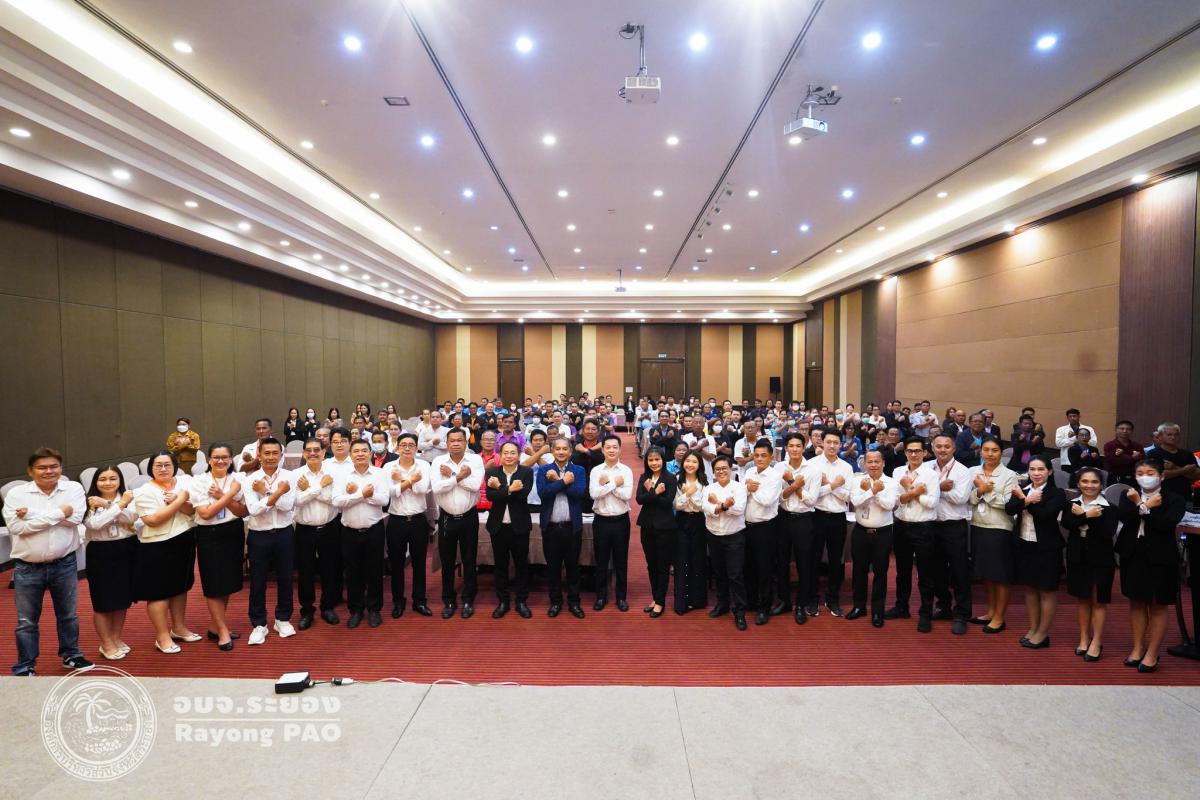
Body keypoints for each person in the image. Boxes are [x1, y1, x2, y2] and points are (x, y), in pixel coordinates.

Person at [5, 448, 93, 675]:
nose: (49, 471)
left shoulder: (73, 488)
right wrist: (60, 513)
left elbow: (75, 519)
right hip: (27, 567)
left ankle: (71, 655)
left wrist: (31, 514)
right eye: (42, 467)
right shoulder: (17, 494)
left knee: (68, 615)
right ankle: (25, 665)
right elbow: (17, 528)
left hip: (64, 563)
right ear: (30, 471)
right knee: (26, 621)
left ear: (61, 468)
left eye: (54, 466)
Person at [1117, 459, 1186, 672]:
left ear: (1161, 476)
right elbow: (1125, 518)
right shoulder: (1128, 494)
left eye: (1150, 472)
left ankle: (1152, 653)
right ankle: (1138, 648)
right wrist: (1144, 505)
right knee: (1136, 602)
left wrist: (1142, 507)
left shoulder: (1174, 498)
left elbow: (1165, 525)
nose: (1145, 477)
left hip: (1161, 557)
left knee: (1158, 605)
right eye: (1140, 473)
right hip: (1133, 554)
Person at [130, 450, 198, 654]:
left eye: (167, 464)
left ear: (174, 466)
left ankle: (179, 628)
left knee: (180, 587)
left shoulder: (185, 482)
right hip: (157, 545)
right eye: (158, 465)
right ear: (151, 468)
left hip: (184, 539)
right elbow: (153, 520)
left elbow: (192, 510)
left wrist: (180, 500)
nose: (163, 469)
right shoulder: (143, 491)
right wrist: (179, 500)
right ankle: (162, 636)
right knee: (159, 593)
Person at [188, 443, 248, 650]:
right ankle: (222, 631)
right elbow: (205, 513)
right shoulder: (199, 481)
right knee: (213, 584)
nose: (221, 461)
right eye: (216, 457)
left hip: (233, 531)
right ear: (209, 459)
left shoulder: (238, 479)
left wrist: (221, 496)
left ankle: (215, 626)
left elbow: (242, 512)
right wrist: (230, 494)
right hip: (209, 534)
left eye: (225, 457)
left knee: (228, 582)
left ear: (231, 459)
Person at [241, 438, 297, 645]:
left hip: (284, 533)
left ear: (281, 456)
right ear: (259, 455)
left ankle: (283, 619)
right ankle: (259, 624)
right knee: (258, 581)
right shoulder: (250, 480)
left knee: (285, 578)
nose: (271, 457)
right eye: (267, 453)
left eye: (275, 453)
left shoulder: (290, 477)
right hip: (259, 535)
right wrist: (278, 493)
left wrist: (266, 492)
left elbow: (287, 506)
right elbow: (254, 510)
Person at [1007, 456, 1066, 649]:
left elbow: (1045, 515)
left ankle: (1043, 632)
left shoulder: (1057, 493)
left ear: (1050, 471)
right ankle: (1033, 628)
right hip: (1025, 544)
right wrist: (1026, 499)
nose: (1036, 473)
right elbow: (1009, 509)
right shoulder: (1023, 489)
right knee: (1030, 589)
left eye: (1041, 469)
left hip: (1048, 548)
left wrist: (1026, 501)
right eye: (1032, 469)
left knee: (1047, 591)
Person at [83, 466, 138, 660]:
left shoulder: (128, 496)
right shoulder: (90, 501)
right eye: (103, 479)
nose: (108, 483)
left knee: (122, 599)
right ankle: (106, 643)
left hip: (127, 548)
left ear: (120, 480)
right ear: (95, 482)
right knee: (103, 602)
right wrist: (118, 505)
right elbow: (94, 524)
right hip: (101, 552)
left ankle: (115, 637)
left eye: (113, 478)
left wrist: (108, 505)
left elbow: (131, 517)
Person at [333, 440, 390, 628]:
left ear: (370, 453)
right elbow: (337, 501)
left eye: (364, 450)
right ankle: (356, 610)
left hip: (374, 529)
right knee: (352, 572)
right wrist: (361, 494)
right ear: (350, 455)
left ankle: (374, 609)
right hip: (349, 531)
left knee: (375, 571)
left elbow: (384, 499)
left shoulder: (380, 473)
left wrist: (357, 494)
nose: (360, 454)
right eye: (356, 451)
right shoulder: (342, 475)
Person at [1062, 467, 1117, 661]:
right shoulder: (1072, 504)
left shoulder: (1109, 507)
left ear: (1101, 485)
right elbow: (1067, 524)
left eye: (1094, 482)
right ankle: (1084, 638)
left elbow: (1107, 532)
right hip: (1077, 557)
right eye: (1085, 481)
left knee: (1099, 601)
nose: (1089, 486)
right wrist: (1086, 515)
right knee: (1083, 599)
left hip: (1102, 558)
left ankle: (1097, 641)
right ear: (1078, 484)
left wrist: (1088, 518)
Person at [887, 438, 941, 631]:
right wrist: (915, 491)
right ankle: (902, 607)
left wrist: (909, 490)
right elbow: (896, 500)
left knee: (925, 573)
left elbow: (932, 503)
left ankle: (925, 613)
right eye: (910, 451)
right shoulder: (898, 472)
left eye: (918, 451)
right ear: (905, 453)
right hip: (901, 525)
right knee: (902, 571)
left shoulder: (931, 475)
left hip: (924, 527)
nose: (913, 454)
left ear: (925, 453)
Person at [431, 428, 484, 619]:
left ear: (465, 442)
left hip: (469, 517)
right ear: (446, 443)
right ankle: (449, 600)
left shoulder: (475, 460)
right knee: (447, 561)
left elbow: (475, 486)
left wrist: (452, 475)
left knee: (469, 559)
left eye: (459, 440)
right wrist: (460, 476)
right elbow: (437, 488)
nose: (455, 444)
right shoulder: (438, 462)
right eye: (452, 441)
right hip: (447, 518)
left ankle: (468, 598)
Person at [968, 438, 1018, 634]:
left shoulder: (1009, 475)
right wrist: (980, 490)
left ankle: (999, 617)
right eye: (986, 450)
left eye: (994, 450)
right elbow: (968, 499)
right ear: (980, 451)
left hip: (999, 528)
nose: (990, 454)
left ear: (1001, 453)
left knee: (1000, 575)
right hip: (978, 525)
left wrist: (986, 492)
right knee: (986, 574)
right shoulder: (973, 472)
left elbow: (1007, 503)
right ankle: (990, 611)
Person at [293, 437, 344, 628]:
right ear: (303, 453)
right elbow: (296, 501)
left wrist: (309, 490)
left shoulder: (333, 474)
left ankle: (327, 607)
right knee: (305, 571)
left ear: (324, 452)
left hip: (329, 527)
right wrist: (319, 487)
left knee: (329, 569)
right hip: (304, 530)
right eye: (309, 450)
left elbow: (335, 500)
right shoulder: (295, 475)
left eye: (317, 450)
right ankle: (307, 611)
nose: (313, 453)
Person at [847, 451, 900, 627]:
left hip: (882, 533)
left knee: (880, 572)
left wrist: (872, 493)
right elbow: (856, 502)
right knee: (859, 571)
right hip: (861, 531)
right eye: (870, 462)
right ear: (865, 464)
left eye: (877, 461)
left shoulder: (891, 482)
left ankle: (877, 611)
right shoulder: (857, 481)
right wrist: (872, 491)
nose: (873, 465)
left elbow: (889, 505)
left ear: (883, 463)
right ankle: (859, 606)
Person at [537, 437, 587, 618]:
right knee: (553, 567)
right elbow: (543, 494)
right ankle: (555, 602)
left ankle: (574, 602)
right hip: (551, 527)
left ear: (570, 451)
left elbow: (578, 494)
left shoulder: (578, 470)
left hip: (571, 527)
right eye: (557, 448)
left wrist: (557, 480)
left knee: (573, 567)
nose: (561, 452)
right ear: (552, 451)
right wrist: (563, 481)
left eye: (564, 449)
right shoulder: (544, 470)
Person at [485, 441, 534, 619]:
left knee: (522, 565)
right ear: (500, 455)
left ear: (519, 455)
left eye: (513, 453)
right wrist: (509, 489)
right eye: (505, 452)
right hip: (498, 527)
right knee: (500, 565)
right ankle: (503, 601)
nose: (509, 456)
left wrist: (500, 488)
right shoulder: (492, 473)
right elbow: (491, 497)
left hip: (519, 527)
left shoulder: (526, 472)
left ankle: (521, 601)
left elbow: (522, 496)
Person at [929, 433, 972, 634]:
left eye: (947, 446)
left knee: (959, 571)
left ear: (954, 448)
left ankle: (962, 613)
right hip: (931, 525)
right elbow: (917, 490)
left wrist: (932, 490)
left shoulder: (962, 471)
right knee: (936, 570)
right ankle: (943, 606)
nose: (942, 450)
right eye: (938, 446)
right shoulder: (927, 467)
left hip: (954, 526)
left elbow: (960, 498)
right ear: (932, 448)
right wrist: (940, 487)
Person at [808, 430, 853, 617]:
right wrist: (834, 485)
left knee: (836, 561)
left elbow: (848, 496)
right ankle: (812, 599)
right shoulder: (812, 465)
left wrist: (827, 484)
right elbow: (813, 495)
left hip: (837, 517)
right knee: (813, 559)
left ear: (840, 444)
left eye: (836, 442)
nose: (832, 446)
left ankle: (833, 599)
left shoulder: (846, 467)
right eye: (829, 442)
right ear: (822, 443)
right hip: (816, 516)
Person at [775, 433, 819, 624]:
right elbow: (778, 498)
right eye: (791, 446)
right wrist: (795, 485)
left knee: (804, 564)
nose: (794, 449)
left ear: (804, 447)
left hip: (804, 520)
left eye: (798, 446)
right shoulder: (779, 468)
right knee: (781, 562)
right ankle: (784, 601)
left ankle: (802, 604)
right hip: (783, 519)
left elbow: (811, 501)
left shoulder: (813, 470)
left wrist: (792, 484)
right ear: (786, 448)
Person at [703, 456, 749, 631]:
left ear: (731, 469)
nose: (721, 471)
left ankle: (740, 611)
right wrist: (724, 505)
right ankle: (722, 604)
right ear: (713, 472)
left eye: (724, 468)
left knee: (735, 575)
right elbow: (706, 510)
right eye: (718, 469)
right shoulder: (708, 488)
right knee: (719, 572)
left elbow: (739, 510)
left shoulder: (739, 488)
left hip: (734, 536)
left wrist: (717, 505)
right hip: (714, 535)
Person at [589, 435, 634, 612]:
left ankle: (621, 597)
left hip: (621, 521)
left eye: (615, 447)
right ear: (602, 450)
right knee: (601, 561)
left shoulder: (626, 470)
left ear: (620, 449)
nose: (611, 450)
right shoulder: (596, 471)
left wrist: (607, 484)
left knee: (621, 561)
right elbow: (594, 494)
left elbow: (626, 495)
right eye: (608, 447)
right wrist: (615, 484)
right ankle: (601, 596)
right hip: (601, 521)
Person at [742, 438, 783, 625]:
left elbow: (767, 500)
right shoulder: (749, 471)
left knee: (765, 569)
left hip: (766, 528)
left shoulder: (775, 476)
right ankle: (751, 601)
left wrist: (751, 490)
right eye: (756, 455)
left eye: (763, 455)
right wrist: (747, 489)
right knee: (749, 566)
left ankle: (764, 607)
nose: (759, 459)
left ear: (771, 457)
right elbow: (741, 494)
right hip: (746, 526)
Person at [635, 447, 677, 618]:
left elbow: (668, 502)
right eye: (651, 460)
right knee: (651, 564)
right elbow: (639, 500)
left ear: (663, 460)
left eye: (657, 459)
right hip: (647, 526)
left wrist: (652, 493)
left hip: (665, 527)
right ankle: (655, 598)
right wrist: (655, 492)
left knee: (662, 565)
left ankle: (660, 601)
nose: (654, 463)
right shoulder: (644, 477)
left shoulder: (670, 478)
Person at [672, 451, 709, 614]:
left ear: (699, 464)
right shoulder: (677, 479)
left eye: (694, 461)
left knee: (698, 558)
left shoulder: (704, 481)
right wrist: (687, 493)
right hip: (681, 520)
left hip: (699, 521)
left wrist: (690, 495)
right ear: (683, 462)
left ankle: (697, 600)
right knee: (681, 559)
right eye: (688, 461)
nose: (690, 464)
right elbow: (676, 505)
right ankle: (682, 602)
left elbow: (703, 506)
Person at [1102, 420, 1144, 486]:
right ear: (1116, 430)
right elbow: (1112, 461)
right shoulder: (1109, 445)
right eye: (1122, 429)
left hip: (1134, 478)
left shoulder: (1137, 446)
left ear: (1132, 431)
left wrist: (1137, 457)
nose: (1125, 431)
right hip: (1115, 478)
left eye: (1128, 429)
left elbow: (1142, 462)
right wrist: (1132, 458)